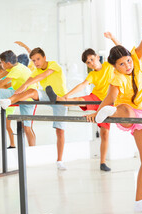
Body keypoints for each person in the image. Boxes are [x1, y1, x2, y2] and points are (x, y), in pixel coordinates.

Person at [86, 22, 142, 213]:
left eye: (128, 61)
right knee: (123, 110)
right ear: (114, 67)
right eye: (121, 64)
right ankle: (112, 113)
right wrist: (98, 112)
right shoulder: (117, 78)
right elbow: (109, 98)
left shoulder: (136, 61)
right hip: (126, 112)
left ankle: (140, 202)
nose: (127, 65)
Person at [45, 32, 120, 172]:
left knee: (104, 133)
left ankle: (102, 163)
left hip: (109, 101)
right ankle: (59, 99)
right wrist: (66, 95)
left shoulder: (110, 66)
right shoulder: (92, 74)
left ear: (98, 57)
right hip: (96, 98)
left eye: (92, 59)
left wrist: (112, 38)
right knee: (78, 99)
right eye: (88, 62)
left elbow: (122, 52)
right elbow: (82, 86)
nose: (91, 63)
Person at [0, 48, 68, 170]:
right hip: (47, 95)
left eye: (38, 59)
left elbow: (43, 76)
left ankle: (59, 160)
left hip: (60, 99)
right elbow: (29, 81)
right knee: (31, 91)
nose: (36, 63)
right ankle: (9, 101)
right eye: (34, 61)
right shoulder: (36, 70)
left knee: (60, 131)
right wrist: (18, 92)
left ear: (44, 58)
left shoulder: (53, 65)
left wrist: (26, 84)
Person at [0, 50, 36, 146]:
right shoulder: (14, 66)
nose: (1, 65)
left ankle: (33, 150)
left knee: (27, 127)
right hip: (19, 93)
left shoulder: (17, 70)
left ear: (8, 63)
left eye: (2, 63)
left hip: (27, 97)